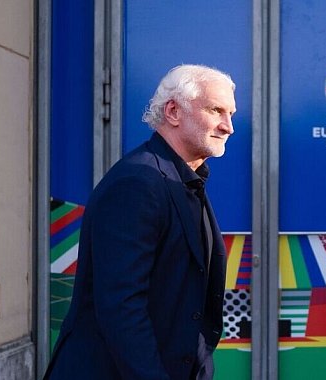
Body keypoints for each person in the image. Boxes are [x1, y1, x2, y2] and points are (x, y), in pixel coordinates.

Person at [45, 64, 236, 380]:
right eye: (216, 110)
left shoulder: (183, 179)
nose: (228, 126)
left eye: (231, 113)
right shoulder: (137, 183)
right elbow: (121, 307)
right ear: (173, 111)